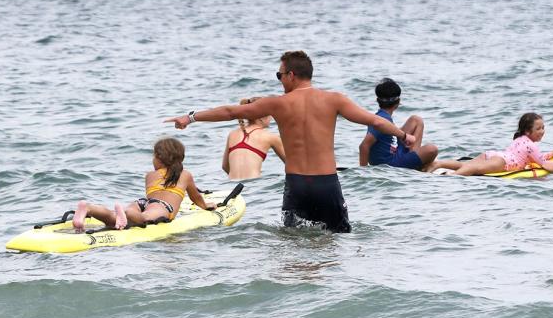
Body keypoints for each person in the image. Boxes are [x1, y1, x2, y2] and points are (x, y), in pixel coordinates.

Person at [166, 50, 416, 233]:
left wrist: (190, 117)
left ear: (292, 75)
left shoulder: (277, 103)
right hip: (326, 184)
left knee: (292, 240)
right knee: (336, 239)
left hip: (297, 185)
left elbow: (231, 112)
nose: (279, 79)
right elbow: (375, 121)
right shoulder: (335, 100)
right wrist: (405, 136)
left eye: (280, 74)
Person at [72, 137, 213, 232]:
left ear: (158, 158)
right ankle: (127, 214)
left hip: (142, 203)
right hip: (161, 207)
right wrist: (206, 206)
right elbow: (196, 198)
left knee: (112, 218)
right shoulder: (185, 174)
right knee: (144, 218)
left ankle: (89, 208)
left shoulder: (150, 175)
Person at [430, 112, 553, 176]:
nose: (542, 131)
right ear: (528, 131)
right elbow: (542, 162)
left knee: (466, 164)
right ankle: (452, 176)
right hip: (504, 162)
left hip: (494, 155)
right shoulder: (531, 145)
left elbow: (535, 157)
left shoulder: (519, 139)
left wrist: (549, 154)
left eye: (543, 127)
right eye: (539, 129)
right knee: (474, 168)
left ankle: (439, 163)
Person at [357, 78, 438, 170]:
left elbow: (386, 137)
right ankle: (415, 163)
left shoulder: (381, 116)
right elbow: (363, 146)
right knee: (432, 149)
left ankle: (413, 156)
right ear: (398, 102)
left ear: (378, 101)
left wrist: (402, 138)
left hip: (393, 152)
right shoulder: (382, 121)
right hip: (390, 163)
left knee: (416, 120)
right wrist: (364, 172)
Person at [222, 98, 285, 180]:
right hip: (254, 187)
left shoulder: (232, 134)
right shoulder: (270, 136)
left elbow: (225, 167)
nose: (271, 117)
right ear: (261, 117)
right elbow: (291, 164)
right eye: (270, 114)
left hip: (233, 187)